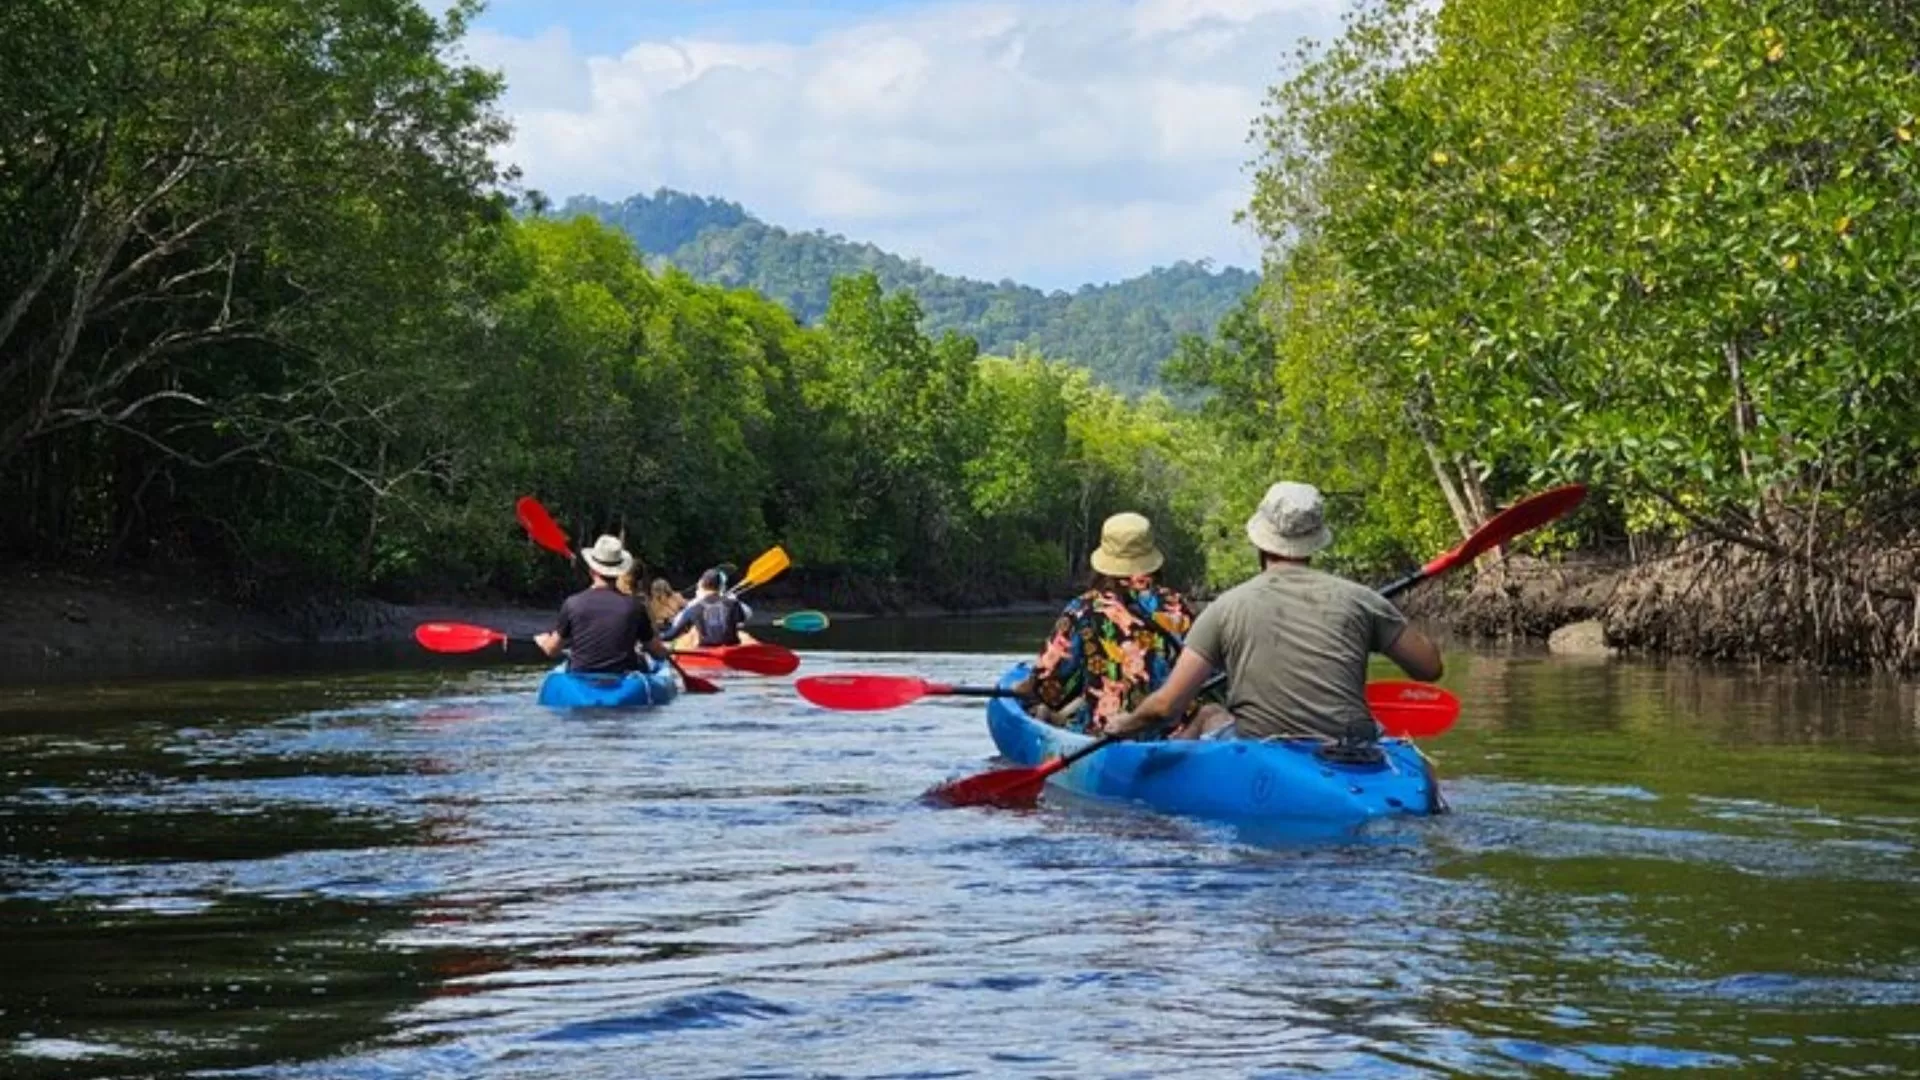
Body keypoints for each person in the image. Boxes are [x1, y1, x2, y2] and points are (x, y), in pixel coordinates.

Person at [1108, 481, 1443, 743]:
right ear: (1316, 542)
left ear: (1261, 541)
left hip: (1260, 746)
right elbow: (1430, 668)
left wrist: (1129, 722)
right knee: (1382, 732)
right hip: (1350, 745)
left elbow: (1168, 707)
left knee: (1210, 711)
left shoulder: (1225, 607)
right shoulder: (1363, 600)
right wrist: (1374, 624)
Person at [1011, 512, 1194, 735]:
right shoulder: (1178, 606)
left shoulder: (1083, 608)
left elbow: (1049, 688)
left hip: (1109, 733)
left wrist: (1022, 691)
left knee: (1047, 710)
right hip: (1178, 733)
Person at [534, 535, 673, 674]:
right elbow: (655, 651)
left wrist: (543, 640)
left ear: (592, 570)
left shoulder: (572, 604)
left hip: (581, 677)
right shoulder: (635, 607)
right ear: (619, 572)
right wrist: (667, 651)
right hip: (624, 679)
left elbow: (551, 650)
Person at [661, 568, 754, 648]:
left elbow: (671, 635)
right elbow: (743, 617)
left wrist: (655, 638)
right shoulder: (734, 604)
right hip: (732, 650)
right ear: (720, 586)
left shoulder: (694, 608)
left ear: (701, 585)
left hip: (706, 652)